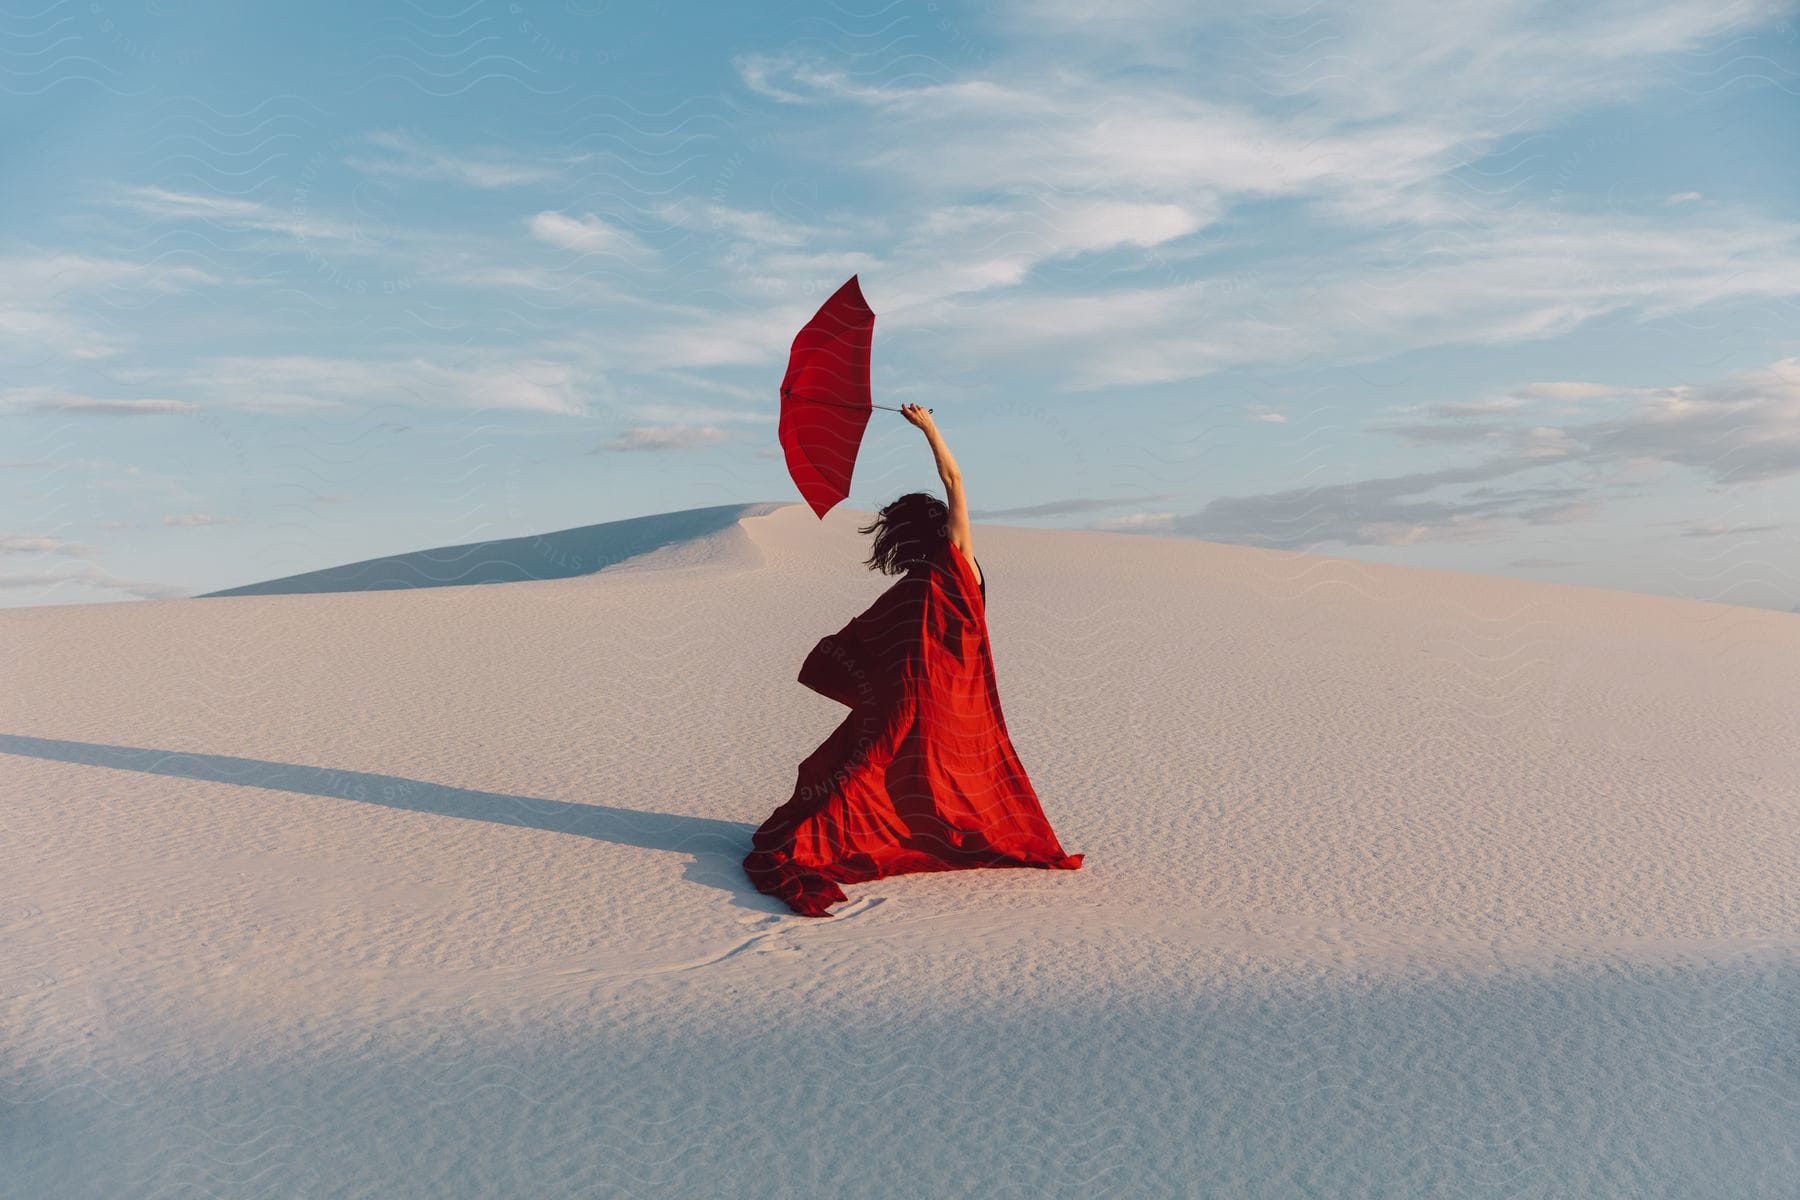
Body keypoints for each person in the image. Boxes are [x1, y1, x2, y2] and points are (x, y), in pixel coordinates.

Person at [742, 403, 1084, 917]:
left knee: (881, 764)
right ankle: (927, 835)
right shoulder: (956, 561)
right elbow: (955, 476)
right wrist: (928, 427)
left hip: (918, 695)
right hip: (960, 698)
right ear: (939, 526)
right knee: (951, 770)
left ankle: (851, 835)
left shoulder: (928, 575)